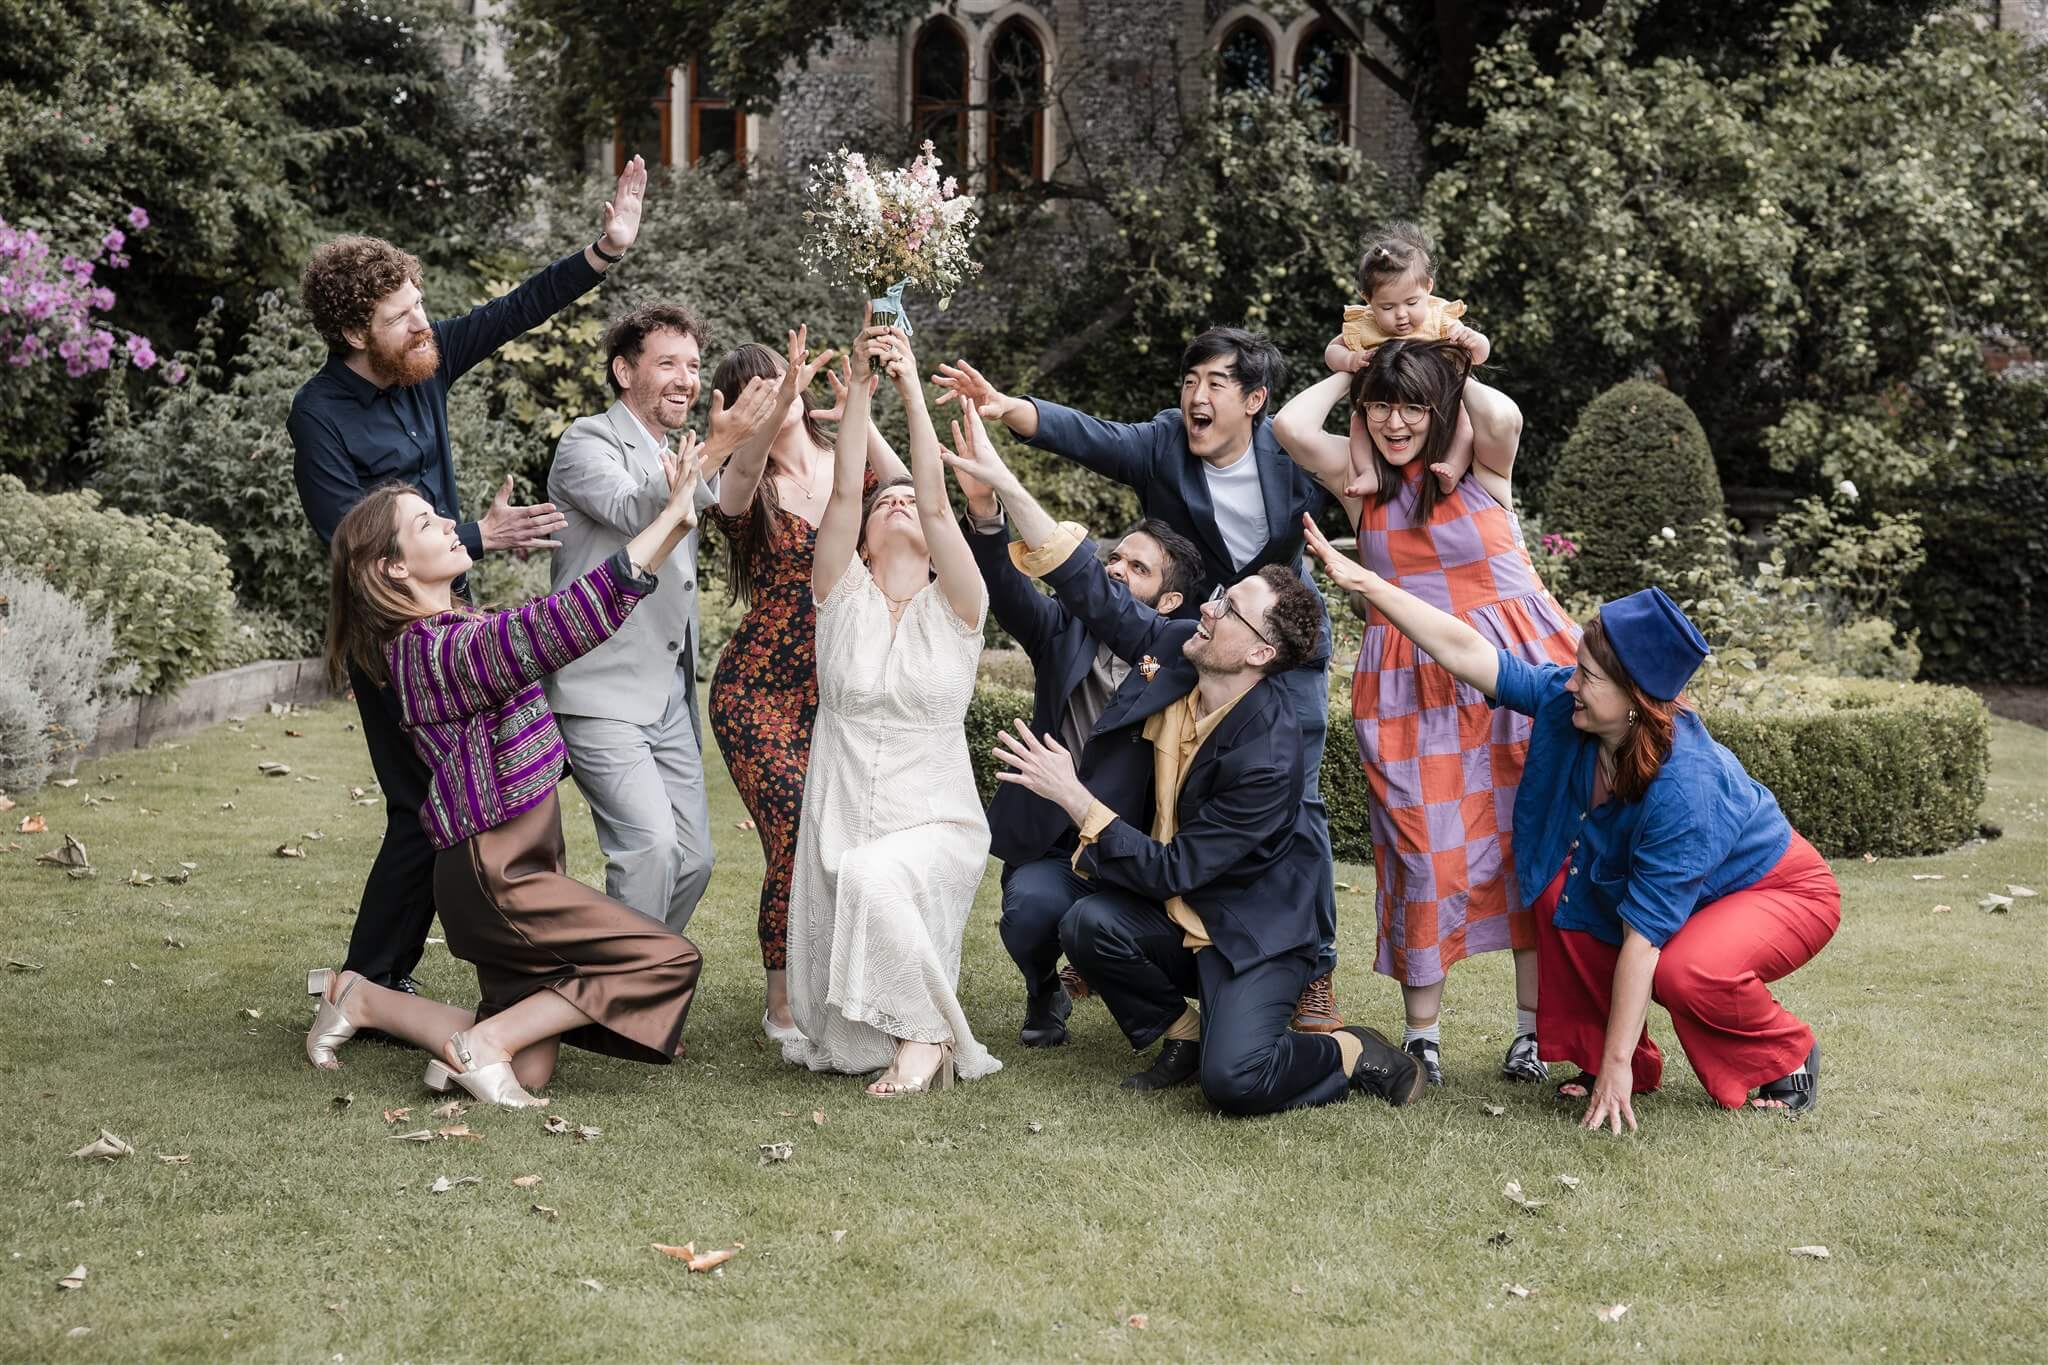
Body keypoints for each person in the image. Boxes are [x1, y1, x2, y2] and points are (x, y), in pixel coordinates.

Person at [939, 417, 1422, 1114]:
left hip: (1245, 927)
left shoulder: (1268, 751)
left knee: (1237, 1083)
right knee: (1086, 922)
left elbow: (1175, 869)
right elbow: (1086, 586)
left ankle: (1351, 1051)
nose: (1212, 608)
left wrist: (1075, 799)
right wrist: (1004, 485)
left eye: (1230, 610)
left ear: (1259, 653)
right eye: (1220, 597)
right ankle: (1182, 1032)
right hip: (1171, 907)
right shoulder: (1175, 651)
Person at [1305, 520, 1840, 1131]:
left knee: (1685, 970)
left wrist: (1617, 1069)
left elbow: (1643, 938)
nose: (1572, 682)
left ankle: (1786, 1054)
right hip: (1703, 888)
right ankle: (1612, 1062)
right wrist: (1370, 583)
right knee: (1563, 891)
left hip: (1776, 888)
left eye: (1588, 675)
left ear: (1636, 698)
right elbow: (1468, 652)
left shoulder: (1685, 785)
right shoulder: (1571, 704)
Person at [289, 156, 650, 997]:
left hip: (452, 614)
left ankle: (392, 972)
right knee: (424, 805)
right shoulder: (318, 414)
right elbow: (352, 543)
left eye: (419, 306)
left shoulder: (428, 359)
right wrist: (477, 535)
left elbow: (516, 309)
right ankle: (376, 977)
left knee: (463, 791)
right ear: (353, 335)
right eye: (401, 316)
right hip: (391, 640)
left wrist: (604, 251)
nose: (422, 323)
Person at [934, 333, 1345, 1034]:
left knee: (1294, 793)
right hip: (1205, 637)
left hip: (1277, 639)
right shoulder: (1163, 451)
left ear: (1255, 401)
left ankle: (1313, 967)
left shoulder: (1291, 454)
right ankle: (1119, 950)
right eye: (1190, 380)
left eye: (1217, 383)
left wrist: (1352, 366)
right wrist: (1008, 413)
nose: (1197, 396)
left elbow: (1374, 479)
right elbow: (1092, 447)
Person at [307, 445, 707, 1108]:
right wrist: (668, 521)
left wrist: (675, 522)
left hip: (512, 864)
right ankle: (477, 1046)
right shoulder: (431, 651)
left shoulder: (455, 627)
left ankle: (362, 997)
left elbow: (549, 630)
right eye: (427, 524)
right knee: (667, 958)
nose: (447, 525)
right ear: (394, 567)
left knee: (532, 1067)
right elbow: (556, 626)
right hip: (497, 872)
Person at [781, 320, 996, 1098]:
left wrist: (909, 387)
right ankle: (897, 1033)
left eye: (912, 497)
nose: (900, 503)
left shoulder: (960, 606)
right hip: (839, 813)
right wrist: (863, 395)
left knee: (878, 876)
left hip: (935, 819)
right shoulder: (838, 596)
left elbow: (942, 510)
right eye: (888, 500)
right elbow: (844, 488)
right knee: (844, 1039)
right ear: (865, 537)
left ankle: (928, 1038)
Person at [543, 303, 782, 933]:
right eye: (668, 363)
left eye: (695, 365)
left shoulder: (682, 450)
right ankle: (623, 1010)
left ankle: (634, 981)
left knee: (695, 861)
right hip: (601, 689)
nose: (686, 378)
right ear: (624, 371)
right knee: (650, 850)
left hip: (670, 692)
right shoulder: (587, 441)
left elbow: (725, 498)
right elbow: (634, 514)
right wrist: (718, 449)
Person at [956, 444, 1205, 1047]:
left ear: (1169, 602)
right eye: (1114, 558)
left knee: (1089, 925)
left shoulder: (1179, 654)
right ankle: (1043, 988)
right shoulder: (1062, 629)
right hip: (1047, 835)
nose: (1115, 569)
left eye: (1137, 569)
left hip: (1129, 842)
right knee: (1028, 911)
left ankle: (1160, 1009)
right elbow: (1007, 587)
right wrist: (985, 514)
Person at [703, 329, 908, 1045]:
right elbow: (735, 474)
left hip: (837, 690)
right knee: (793, 832)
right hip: (755, 691)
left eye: (780, 379)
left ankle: (843, 984)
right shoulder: (747, 488)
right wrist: (776, 406)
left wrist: (861, 413)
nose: (777, 392)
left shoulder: (843, 460)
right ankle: (782, 1004)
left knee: (844, 841)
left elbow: (906, 493)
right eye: (756, 389)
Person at [1321, 223, 1492, 496]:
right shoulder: (1366, 326)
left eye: (1412, 303)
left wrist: (1470, 339)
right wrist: (1351, 360)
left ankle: (1453, 468)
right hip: (1388, 404)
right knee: (1358, 421)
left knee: (1464, 421)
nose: (1401, 314)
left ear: (1429, 287)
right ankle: (1369, 472)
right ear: (1368, 299)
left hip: (1440, 402)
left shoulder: (1440, 320)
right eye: (1388, 307)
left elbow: (1480, 355)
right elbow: (1331, 352)